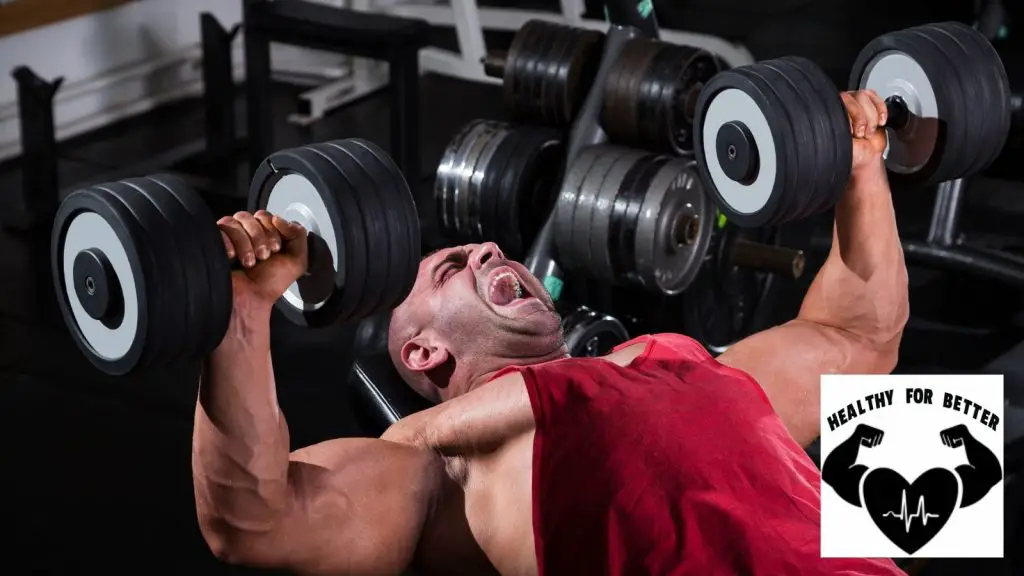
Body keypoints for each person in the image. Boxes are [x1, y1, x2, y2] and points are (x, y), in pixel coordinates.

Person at [193, 90, 909, 575]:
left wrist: (860, 170)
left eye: (490, 253)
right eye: (451, 269)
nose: (488, 252)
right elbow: (254, 520)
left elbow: (857, 335)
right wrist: (241, 313)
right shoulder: (441, 466)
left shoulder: (680, 362)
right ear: (423, 352)